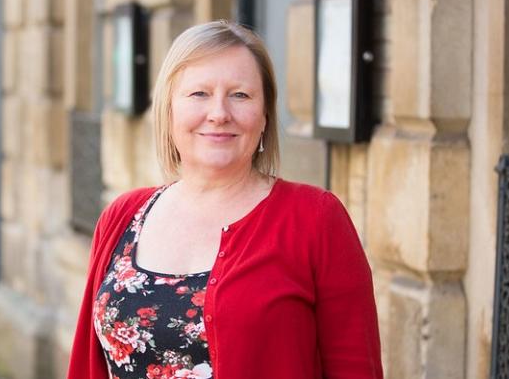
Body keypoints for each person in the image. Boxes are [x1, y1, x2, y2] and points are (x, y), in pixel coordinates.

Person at [68, 20, 382, 379]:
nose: (219, 113)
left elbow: (357, 369)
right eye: (199, 94)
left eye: (240, 95)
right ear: (169, 111)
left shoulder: (315, 219)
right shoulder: (123, 216)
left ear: (264, 117)